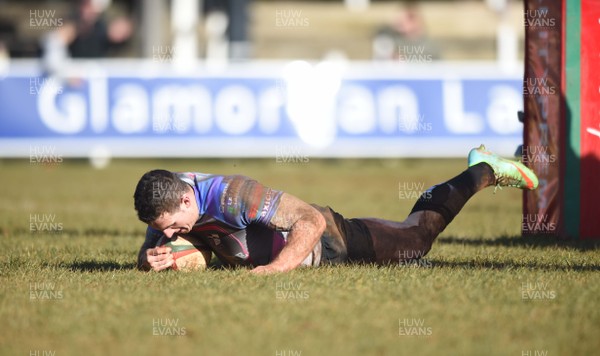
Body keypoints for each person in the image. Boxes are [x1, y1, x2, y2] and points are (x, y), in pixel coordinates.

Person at [133, 145, 538, 274]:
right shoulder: (170, 198)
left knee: (416, 238)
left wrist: (275, 269)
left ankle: (484, 170)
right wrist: (147, 258)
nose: (169, 234)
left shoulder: (234, 195)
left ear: (187, 199)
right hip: (300, 245)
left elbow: (308, 220)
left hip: (331, 239)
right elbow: (154, 247)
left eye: (170, 227)